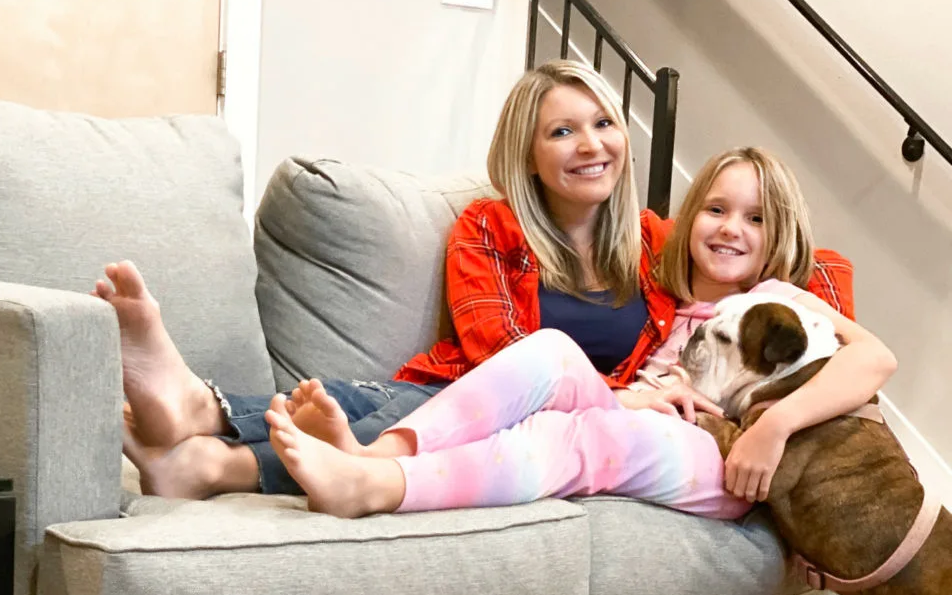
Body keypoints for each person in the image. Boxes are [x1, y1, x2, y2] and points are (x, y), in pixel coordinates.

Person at [98, 59, 692, 498]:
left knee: (388, 421)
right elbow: (505, 356)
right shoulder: (490, 226)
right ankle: (198, 424)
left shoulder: (657, 244)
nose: (591, 145)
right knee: (369, 404)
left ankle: (208, 452)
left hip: (559, 434)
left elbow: (745, 305)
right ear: (527, 154)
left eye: (603, 124)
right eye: (562, 132)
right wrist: (623, 393)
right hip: (479, 396)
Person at [261, 147, 896, 518]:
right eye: (717, 209)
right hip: (644, 415)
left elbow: (875, 359)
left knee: (580, 435)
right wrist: (634, 395)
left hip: (724, 455)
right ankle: (377, 455)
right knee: (551, 350)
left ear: (778, 235)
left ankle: (377, 489)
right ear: (688, 218)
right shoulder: (659, 292)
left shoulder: (780, 298)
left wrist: (773, 427)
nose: (732, 228)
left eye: (755, 218)